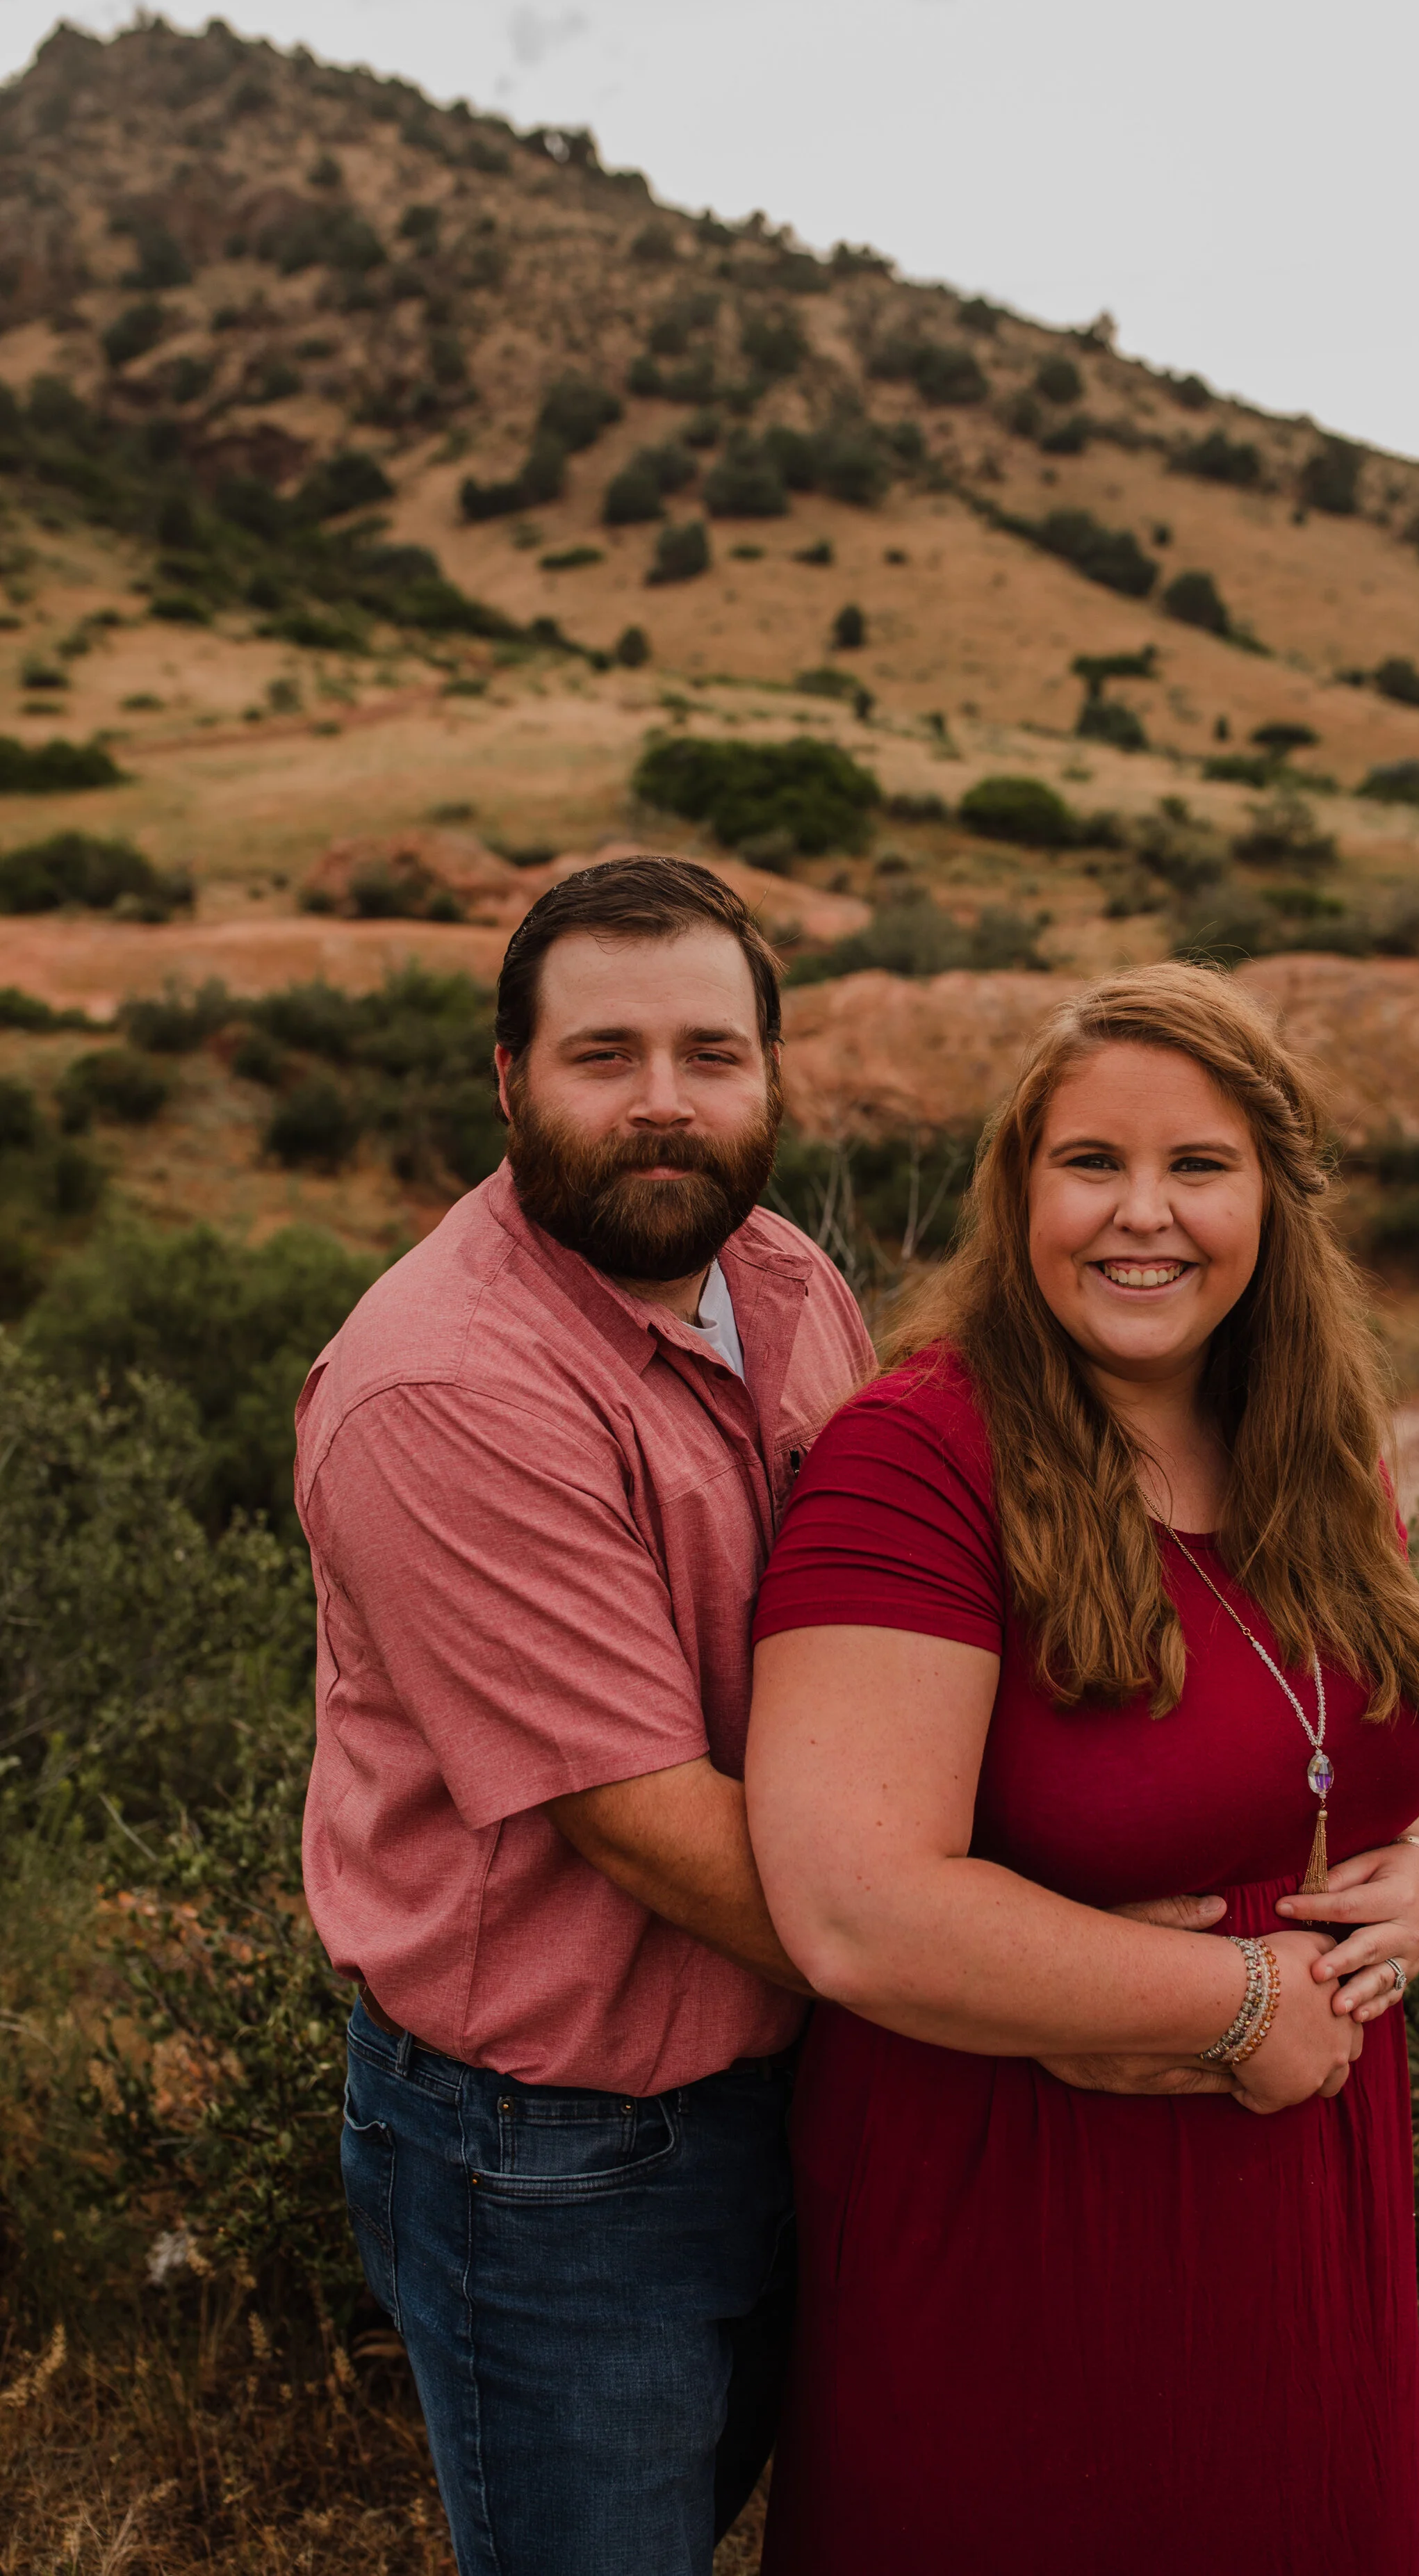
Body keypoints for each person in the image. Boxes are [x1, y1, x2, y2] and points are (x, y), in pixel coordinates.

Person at [745, 961, 1419, 2576]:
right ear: (1018, 1195)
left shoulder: (1315, 1439)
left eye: (1196, 1167)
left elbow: (1390, 1730)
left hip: (1301, 2207)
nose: (1140, 1216)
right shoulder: (917, 1458)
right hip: (1024, 2220)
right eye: (1090, 1164)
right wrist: (1236, 2008)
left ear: (1273, 1201)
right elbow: (853, 1910)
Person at [295, 857, 873, 2576]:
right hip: (555, 2161)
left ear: (770, 1074)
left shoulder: (779, 1278)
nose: (663, 1106)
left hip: (802, 2078)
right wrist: (1020, 1973)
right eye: (602, 1055)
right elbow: (646, 1822)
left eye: (711, 1053)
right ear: (506, 1080)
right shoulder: (444, 1386)